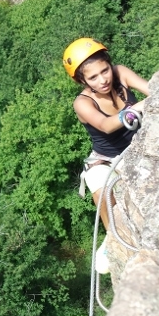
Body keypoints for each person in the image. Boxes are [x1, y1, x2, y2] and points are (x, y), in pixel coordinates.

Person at [63, 37, 150, 273]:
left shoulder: (120, 74)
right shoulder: (82, 103)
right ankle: (112, 238)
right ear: (81, 80)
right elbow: (106, 125)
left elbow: (152, 89)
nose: (103, 80)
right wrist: (136, 108)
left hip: (138, 148)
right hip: (108, 158)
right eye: (93, 77)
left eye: (104, 71)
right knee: (99, 187)